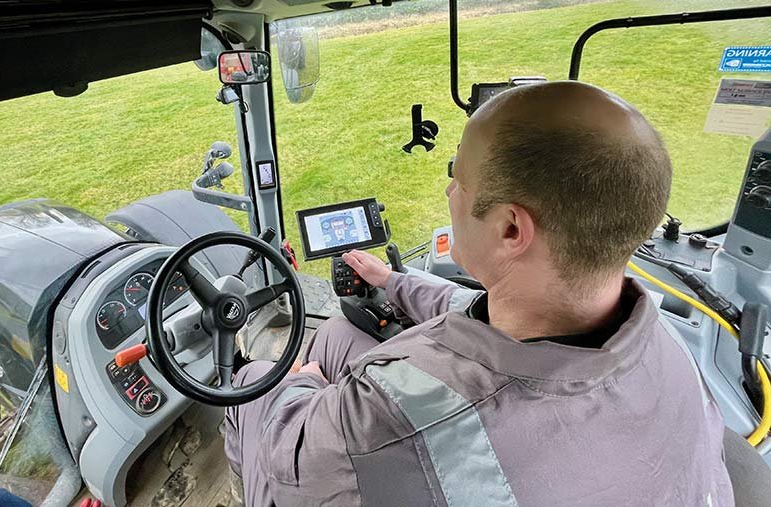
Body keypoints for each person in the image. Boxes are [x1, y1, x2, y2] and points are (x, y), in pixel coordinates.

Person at [224, 81, 734, 506]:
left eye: (458, 179)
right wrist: (392, 282)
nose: (449, 193)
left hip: (311, 457)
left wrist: (297, 384)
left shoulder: (384, 414)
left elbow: (289, 460)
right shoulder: (664, 342)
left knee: (252, 383)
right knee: (337, 334)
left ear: (512, 228)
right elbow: (470, 311)